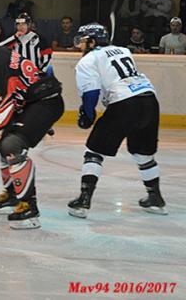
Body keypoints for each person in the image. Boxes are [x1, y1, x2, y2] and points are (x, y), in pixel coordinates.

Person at [0, 26, 64, 229]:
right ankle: (13, 195)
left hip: (45, 102)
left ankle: (29, 207)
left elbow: (5, 106)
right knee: (4, 146)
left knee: (11, 145)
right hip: (29, 103)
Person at [68, 23, 167, 218]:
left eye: (82, 40)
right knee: (142, 152)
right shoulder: (122, 50)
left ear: (92, 41)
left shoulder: (88, 61)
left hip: (124, 103)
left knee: (94, 151)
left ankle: (83, 201)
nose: (79, 45)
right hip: (148, 99)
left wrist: (87, 116)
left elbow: (91, 93)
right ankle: (155, 198)